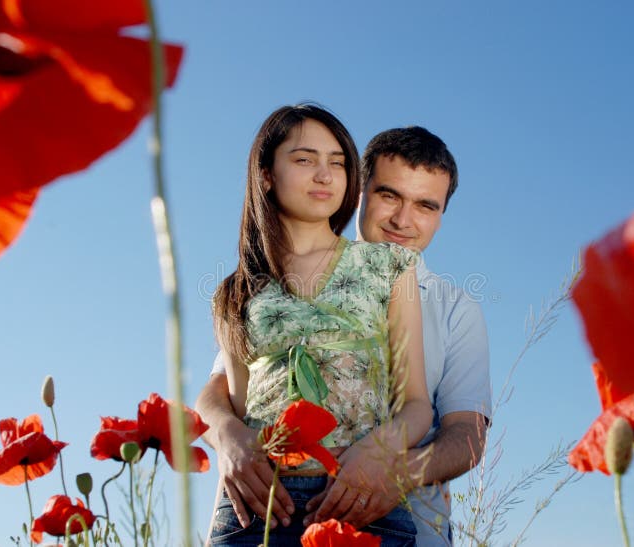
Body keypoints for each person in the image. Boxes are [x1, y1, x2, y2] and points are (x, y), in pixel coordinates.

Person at [199, 123, 492, 546]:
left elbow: (467, 436)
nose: (403, 220)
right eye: (389, 195)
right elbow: (223, 391)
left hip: (402, 523)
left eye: (426, 206)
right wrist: (228, 436)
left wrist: (389, 470)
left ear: (443, 213)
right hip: (267, 508)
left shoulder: (456, 310)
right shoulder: (270, 283)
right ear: (359, 190)